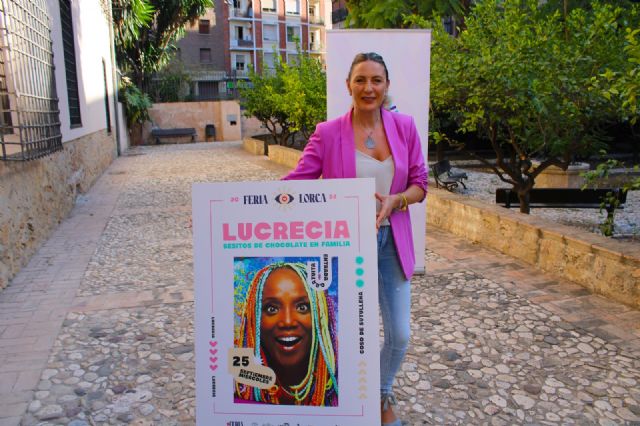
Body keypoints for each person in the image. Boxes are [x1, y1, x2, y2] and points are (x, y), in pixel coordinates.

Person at [283, 52, 427, 426]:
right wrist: (229, 209)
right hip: (345, 246)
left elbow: (420, 185)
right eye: (360, 80)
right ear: (348, 85)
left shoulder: (405, 127)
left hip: (392, 241)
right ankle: (349, 404)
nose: (369, 88)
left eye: (376, 80)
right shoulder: (328, 133)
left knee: (400, 334)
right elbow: (296, 181)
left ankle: (379, 396)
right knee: (345, 333)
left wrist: (399, 199)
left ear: (387, 85)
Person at [234, 262, 338, 406]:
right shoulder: (235, 395)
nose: (288, 321)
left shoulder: (347, 390)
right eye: (271, 309)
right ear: (254, 318)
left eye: (302, 307)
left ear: (321, 314)